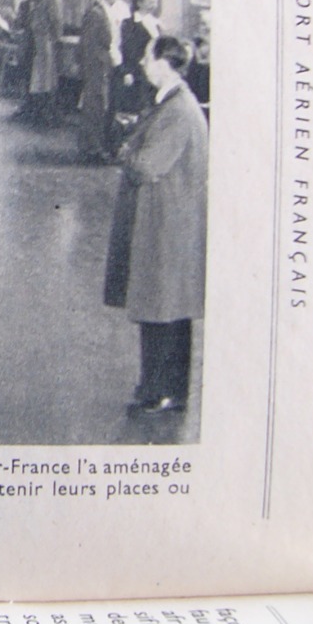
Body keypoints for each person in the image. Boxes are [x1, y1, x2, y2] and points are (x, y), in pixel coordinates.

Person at [103, 36, 208, 414]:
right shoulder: (174, 103)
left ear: (165, 63)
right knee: (172, 311)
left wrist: (126, 150)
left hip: (164, 226)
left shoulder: (178, 111)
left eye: (148, 57)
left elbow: (148, 166)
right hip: (170, 222)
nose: (144, 64)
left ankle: (158, 392)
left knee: (160, 308)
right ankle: (169, 391)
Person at [16, 0, 65, 126]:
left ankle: (48, 115)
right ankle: (35, 111)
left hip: (46, 41)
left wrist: (54, 40)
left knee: (46, 79)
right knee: (36, 78)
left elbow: (56, 21)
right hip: (36, 40)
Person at [78, 0, 122, 161]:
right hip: (95, 65)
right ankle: (92, 147)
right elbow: (91, 42)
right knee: (94, 107)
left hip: (99, 64)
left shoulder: (99, 11)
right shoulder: (97, 13)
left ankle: (92, 145)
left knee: (96, 106)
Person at [113, 0, 164, 116]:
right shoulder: (129, 24)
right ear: (139, 2)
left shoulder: (156, 23)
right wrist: (126, 72)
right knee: (133, 110)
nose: (153, 5)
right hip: (134, 73)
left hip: (151, 73)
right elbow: (125, 50)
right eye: (149, 2)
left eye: (155, 2)